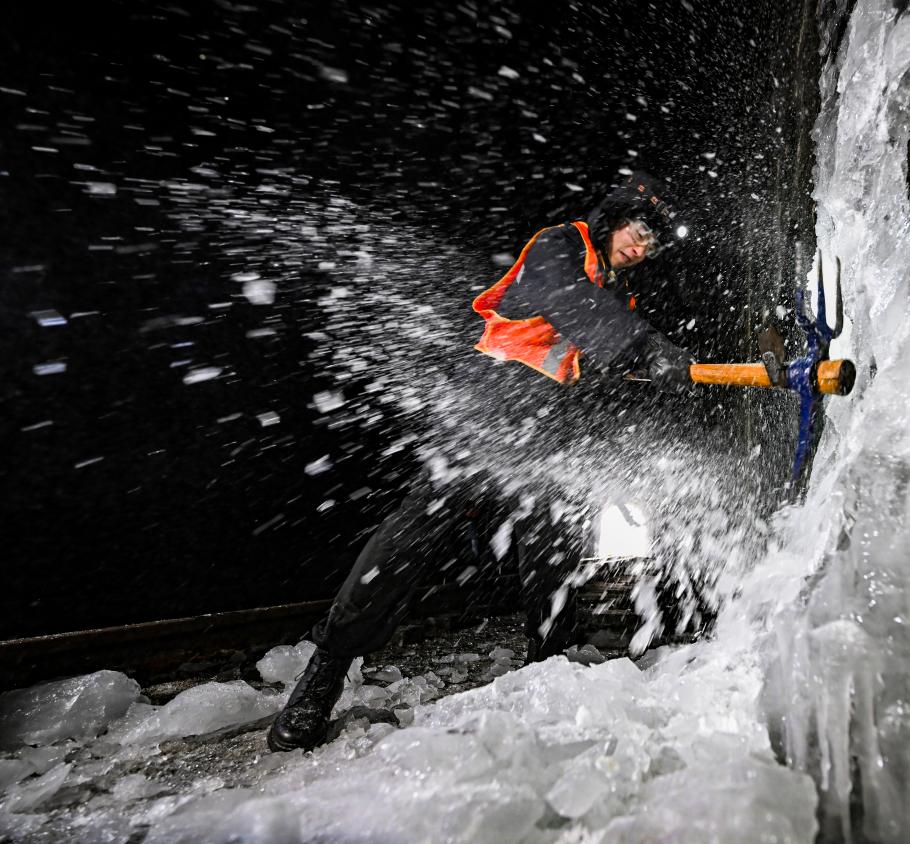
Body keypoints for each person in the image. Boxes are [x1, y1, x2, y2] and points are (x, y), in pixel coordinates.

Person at [267, 172, 697, 752]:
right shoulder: (559, 246)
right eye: (638, 231)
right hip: (487, 409)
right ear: (613, 217)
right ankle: (324, 674)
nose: (641, 247)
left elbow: (596, 359)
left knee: (556, 539)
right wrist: (643, 347)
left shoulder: (619, 295)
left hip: (550, 427)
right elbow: (572, 306)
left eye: (653, 243)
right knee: (412, 535)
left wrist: (646, 370)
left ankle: (550, 664)